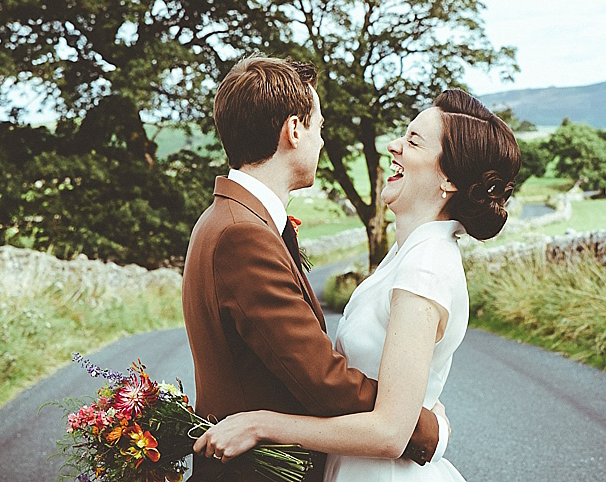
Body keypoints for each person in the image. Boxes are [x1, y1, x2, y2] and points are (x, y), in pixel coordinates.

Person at [195, 88, 522, 482]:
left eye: (413, 140)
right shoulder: (405, 254)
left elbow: (389, 432)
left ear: (448, 179)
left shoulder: (426, 266)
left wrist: (262, 425)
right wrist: (426, 424)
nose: (392, 145)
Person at [182, 56, 446, 482]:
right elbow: (320, 379)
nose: (322, 142)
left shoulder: (229, 219)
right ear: (293, 130)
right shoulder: (241, 235)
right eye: (319, 127)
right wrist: (422, 425)